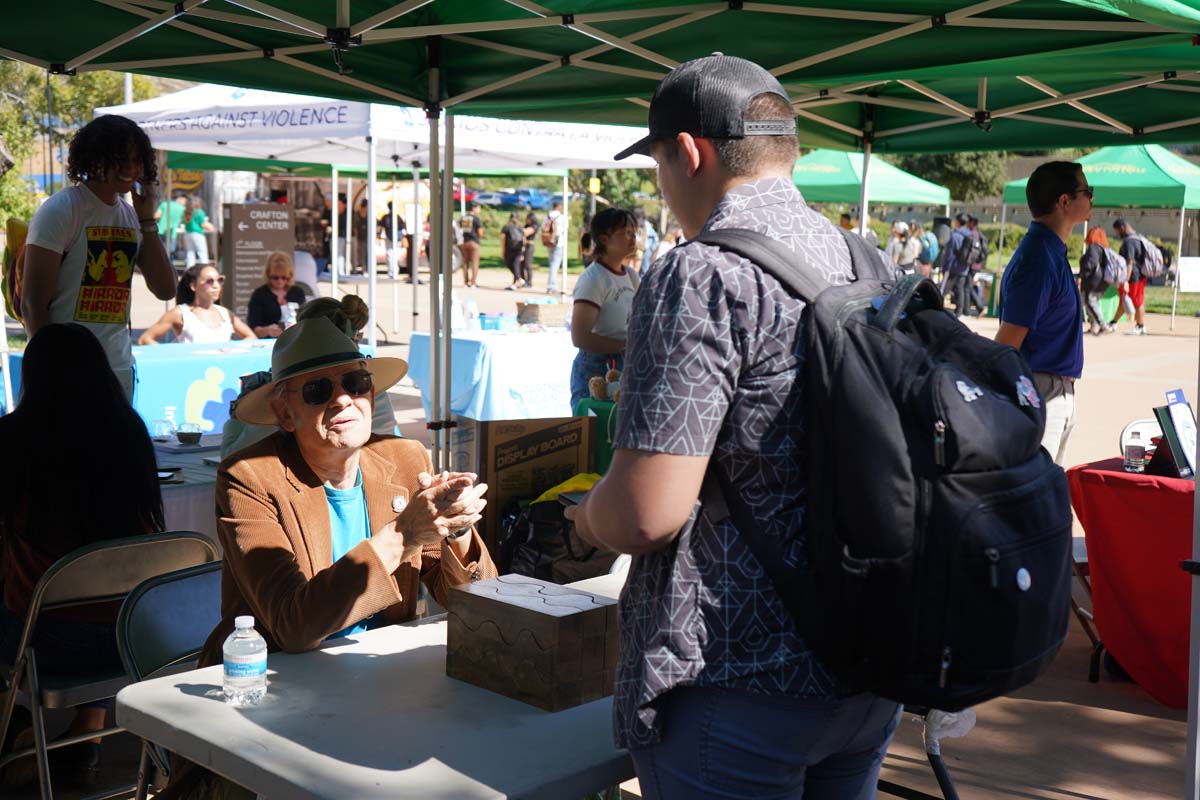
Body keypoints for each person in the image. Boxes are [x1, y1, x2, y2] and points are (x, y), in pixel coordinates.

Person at [569, 54, 901, 798]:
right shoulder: (863, 257)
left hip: (738, 678)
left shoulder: (702, 273)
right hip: (865, 663)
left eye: (657, 161)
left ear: (690, 151)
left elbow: (646, 514)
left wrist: (586, 518)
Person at [0, 323, 165, 786]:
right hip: (134, 637)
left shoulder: (15, 438)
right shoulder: (129, 432)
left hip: (48, 644)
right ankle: (88, 736)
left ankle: (10, 713)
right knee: (93, 594)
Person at [21, 114, 177, 399]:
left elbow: (166, 289)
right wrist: (52, 368)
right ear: (94, 159)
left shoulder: (130, 214)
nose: (131, 168)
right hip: (64, 369)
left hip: (117, 367)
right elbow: (32, 304)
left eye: (137, 159)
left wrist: (148, 222)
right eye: (121, 159)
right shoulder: (63, 209)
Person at [220, 295, 399, 458]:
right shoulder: (368, 389)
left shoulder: (288, 390)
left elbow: (233, 454)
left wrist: (238, 416)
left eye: (356, 383)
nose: (343, 400)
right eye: (318, 390)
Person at [996, 161, 1091, 466]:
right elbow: (1006, 343)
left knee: (1046, 497)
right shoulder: (1039, 258)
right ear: (1064, 201)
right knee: (1034, 499)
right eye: (1087, 192)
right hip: (1039, 392)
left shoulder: (1049, 251)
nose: (1092, 199)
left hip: (1053, 390)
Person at [568, 208, 639, 409]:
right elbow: (580, 337)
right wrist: (624, 345)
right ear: (604, 239)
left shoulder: (632, 276)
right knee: (595, 433)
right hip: (595, 371)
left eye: (633, 232)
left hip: (624, 364)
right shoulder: (594, 279)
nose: (632, 238)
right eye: (624, 233)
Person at [137, 265, 256, 345]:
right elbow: (145, 339)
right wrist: (174, 356)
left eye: (219, 280)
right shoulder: (180, 313)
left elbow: (251, 337)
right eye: (209, 281)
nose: (216, 285)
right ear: (193, 286)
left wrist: (232, 350)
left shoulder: (225, 313)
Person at [246, 251, 307, 337]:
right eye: (275, 277)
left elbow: (305, 320)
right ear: (268, 275)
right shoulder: (259, 295)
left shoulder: (297, 292)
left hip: (294, 339)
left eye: (284, 277)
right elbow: (253, 328)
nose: (280, 281)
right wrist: (267, 331)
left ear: (290, 276)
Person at [1111, 217, 1151, 335]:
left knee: (1137, 301)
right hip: (1140, 275)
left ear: (1122, 228)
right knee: (1125, 299)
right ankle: (1113, 322)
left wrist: (1126, 280)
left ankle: (1140, 326)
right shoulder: (1138, 238)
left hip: (1134, 277)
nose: (1117, 234)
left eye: (1117, 231)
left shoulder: (1129, 242)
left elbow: (1130, 262)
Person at [1078, 226, 1113, 336]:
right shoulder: (1103, 249)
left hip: (1093, 281)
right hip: (1103, 281)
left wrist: (1081, 276)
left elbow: (1091, 263)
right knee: (1091, 302)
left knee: (1090, 301)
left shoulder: (1093, 247)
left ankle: (1103, 325)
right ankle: (1094, 326)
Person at [941, 212, 974, 316]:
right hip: (964, 267)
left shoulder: (955, 235)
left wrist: (945, 266)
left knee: (945, 289)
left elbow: (949, 253)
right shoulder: (969, 234)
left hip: (953, 267)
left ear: (958, 222)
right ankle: (959, 311)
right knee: (960, 289)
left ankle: (936, 307)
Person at [182, 194, 214, 268]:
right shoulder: (199, 212)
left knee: (190, 253)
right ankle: (204, 269)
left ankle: (189, 269)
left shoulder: (186, 211)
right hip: (197, 234)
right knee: (202, 253)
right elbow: (203, 224)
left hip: (188, 234)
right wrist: (212, 228)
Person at [542, 200, 566, 294]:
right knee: (555, 265)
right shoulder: (562, 217)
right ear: (559, 207)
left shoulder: (547, 216)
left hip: (549, 242)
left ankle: (551, 285)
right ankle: (551, 286)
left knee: (552, 263)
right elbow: (564, 230)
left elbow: (543, 228)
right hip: (558, 242)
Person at [459, 202, 483, 287]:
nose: (479, 210)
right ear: (474, 208)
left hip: (464, 242)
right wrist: (479, 238)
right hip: (474, 242)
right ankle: (473, 282)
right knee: (475, 263)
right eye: (479, 208)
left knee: (465, 263)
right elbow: (480, 232)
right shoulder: (476, 219)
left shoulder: (464, 217)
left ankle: (465, 282)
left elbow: (460, 228)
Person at [501, 212, 525, 290]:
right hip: (518, 249)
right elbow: (523, 238)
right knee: (516, 265)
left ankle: (517, 279)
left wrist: (503, 250)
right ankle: (517, 281)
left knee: (510, 264)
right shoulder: (520, 227)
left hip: (509, 249)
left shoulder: (506, 227)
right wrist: (523, 249)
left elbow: (503, 238)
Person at [520, 211, 539, 288]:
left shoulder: (534, 226)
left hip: (529, 246)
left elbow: (525, 233)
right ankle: (523, 280)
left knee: (528, 264)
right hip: (524, 246)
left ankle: (529, 281)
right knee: (522, 264)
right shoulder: (526, 226)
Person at [352, 198, 370, 274]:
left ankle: (368, 268)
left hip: (368, 237)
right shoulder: (357, 215)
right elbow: (355, 227)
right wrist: (357, 237)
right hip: (360, 237)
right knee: (362, 253)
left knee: (368, 253)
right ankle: (364, 268)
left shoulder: (370, 214)